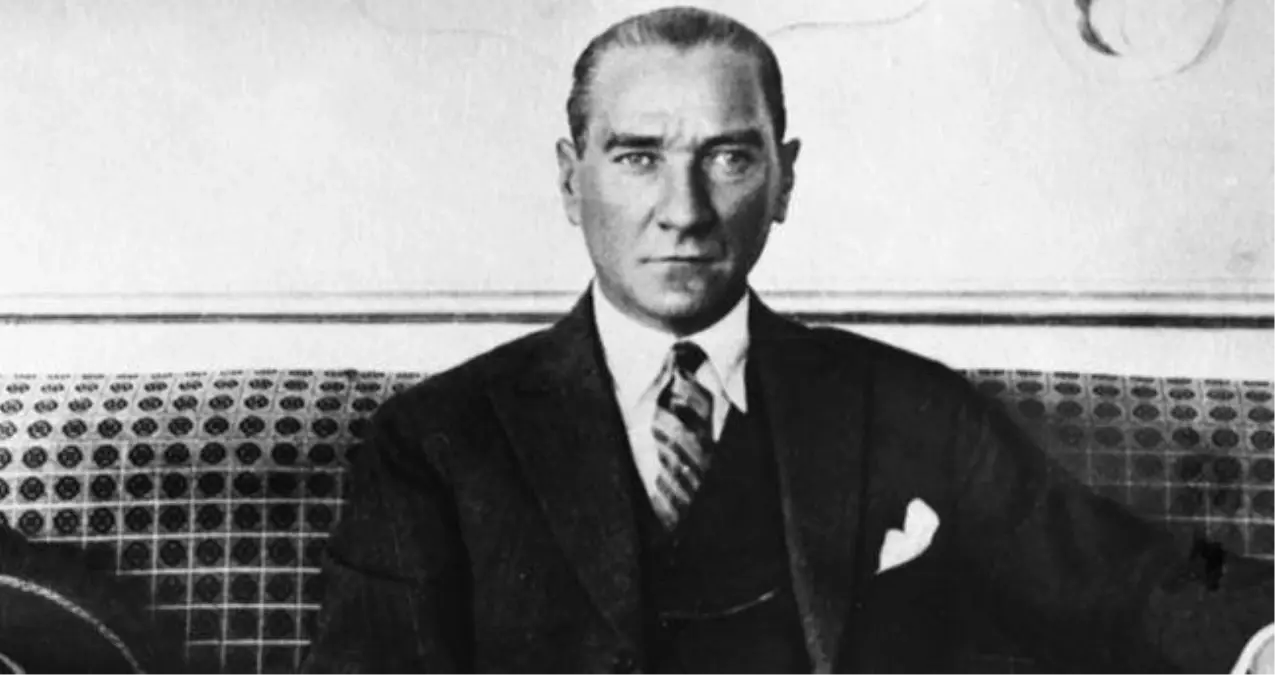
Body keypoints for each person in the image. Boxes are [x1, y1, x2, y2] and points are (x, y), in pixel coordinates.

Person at [301, 6, 1275, 674]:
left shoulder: (907, 407)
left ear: (785, 180)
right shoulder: (434, 443)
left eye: (728, 157)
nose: (683, 210)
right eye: (637, 157)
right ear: (570, 180)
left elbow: (1125, 576)